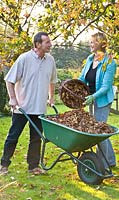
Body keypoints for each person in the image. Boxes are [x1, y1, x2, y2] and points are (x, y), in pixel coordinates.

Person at [0, 32, 57, 175]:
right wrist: (12, 98)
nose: (50, 44)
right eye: (47, 42)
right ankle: (4, 165)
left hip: (39, 108)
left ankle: (33, 166)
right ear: (38, 44)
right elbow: (9, 80)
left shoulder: (50, 60)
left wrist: (51, 97)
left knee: (36, 138)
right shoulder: (24, 58)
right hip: (22, 108)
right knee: (13, 137)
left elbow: (52, 81)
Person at [79, 32, 117, 169]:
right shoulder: (90, 58)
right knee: (98, 130)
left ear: (102, 43)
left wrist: (93, 97)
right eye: (90, 41)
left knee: (98, 131)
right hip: (90, 97)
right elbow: (83, 78)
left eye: (93, 42)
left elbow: (106, 87)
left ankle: (103, 164)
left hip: (102, 100)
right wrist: (74, 84)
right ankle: (111, 160)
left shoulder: (110, 62)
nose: (90, 44)